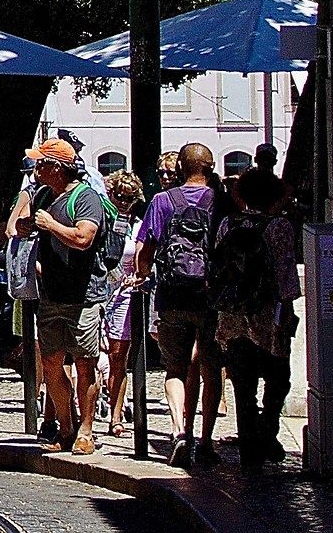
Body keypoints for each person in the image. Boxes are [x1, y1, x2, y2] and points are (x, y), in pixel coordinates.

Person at [132, 141, 227, 467]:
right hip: (211, 298)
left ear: (180, 169)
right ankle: (206, 440)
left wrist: (144, 275)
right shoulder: (221, 201)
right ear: (210, 167)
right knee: (211, 369)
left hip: (171, 295)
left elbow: (144, 251)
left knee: (175, 368)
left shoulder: (161, 201)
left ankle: (178, 432)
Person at [15, 138, 110, 456]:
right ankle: (66, 429)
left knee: (85, 365)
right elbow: (20, 227)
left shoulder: (86, 198)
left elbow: (84, 238)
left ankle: (86, 430)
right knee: (52, 364)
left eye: (40, 163)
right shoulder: (42, 193)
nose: (36, 168)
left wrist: (51, 225)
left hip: (83, 296)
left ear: (56, 168)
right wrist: (28, 226)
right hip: (51, 294)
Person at [211, 168, 298, 467]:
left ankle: (249, 444)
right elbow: (286, 273)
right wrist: (286, 310)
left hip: (234, 315)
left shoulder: (227, 224)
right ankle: (267, 431)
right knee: (278, 380)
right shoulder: (279, 227)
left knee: (243, 384)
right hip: (267, 316)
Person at [100, 169, 147, 437]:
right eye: (119, 196)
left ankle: (116, 417)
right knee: (90, 357)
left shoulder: (139, 226)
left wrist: (137, 277)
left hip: (124, 295)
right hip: (98, 291)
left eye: (130, 198)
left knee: (119, 356)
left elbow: (144, 260)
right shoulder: (101, 220)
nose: (124, 202)